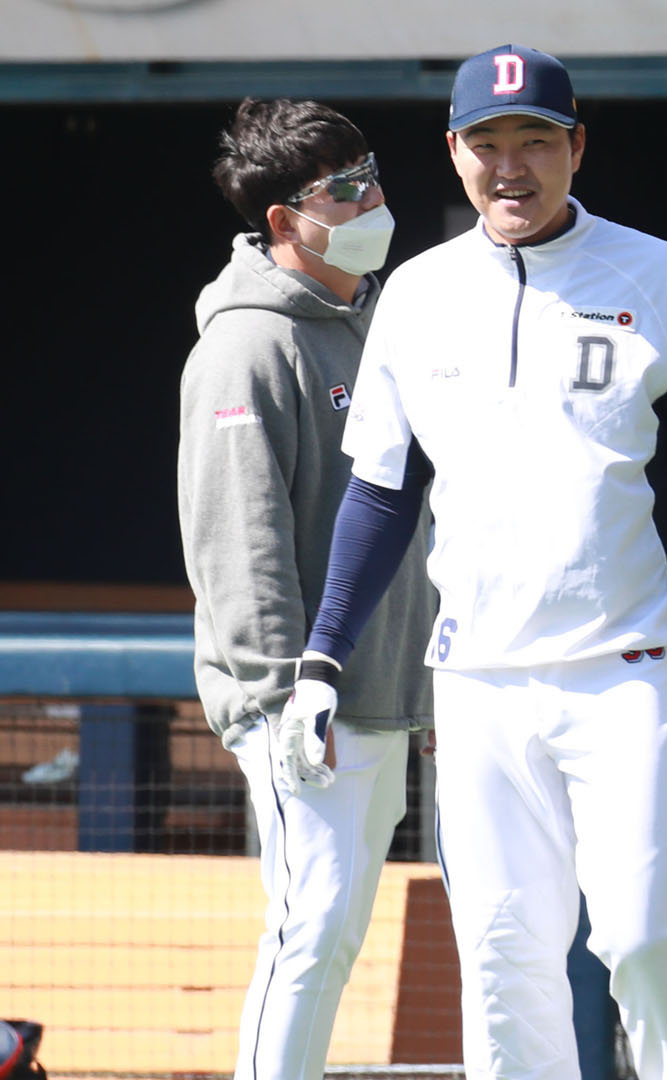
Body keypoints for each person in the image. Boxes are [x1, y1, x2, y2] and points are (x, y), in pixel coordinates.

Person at [272, 45, 667, 1080]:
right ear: (454, 153)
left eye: (534, 141)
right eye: (487, 143)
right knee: (504, 963)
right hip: (478, 680)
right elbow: (381, 494)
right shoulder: (416, 293)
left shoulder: (657, 272)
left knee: (642, 939)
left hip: (628, 667)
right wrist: (322, 657)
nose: (511, 167)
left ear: (577, 147)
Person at [177, 98, 436, 1080]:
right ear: (285, 219)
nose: (372, 200)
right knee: (310, 927)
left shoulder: (378, 322)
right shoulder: (247, 344)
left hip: (384, 693)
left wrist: (426, 686)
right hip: (304, 705)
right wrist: (287, 696)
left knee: (334, 934)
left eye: (371, 175)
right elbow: (240, 540)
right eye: (344, 189)